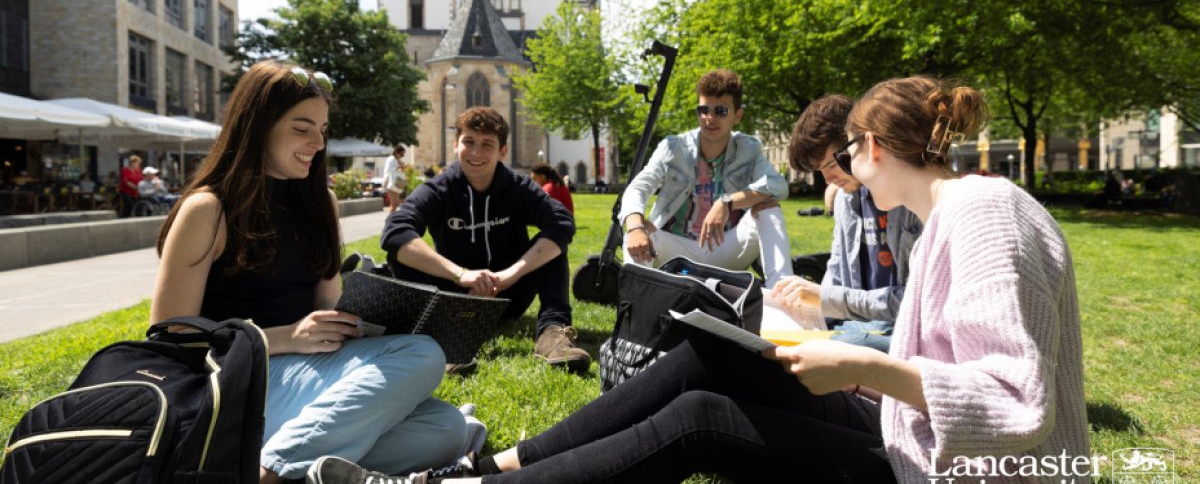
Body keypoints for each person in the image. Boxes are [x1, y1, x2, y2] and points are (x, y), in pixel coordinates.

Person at [310, 75, 1090, 484]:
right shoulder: (955, 215)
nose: (839, 174)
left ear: (876, 147)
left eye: (847, 153)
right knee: (706, 352)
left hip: (937, 471)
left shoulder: (984, 212)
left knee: (700, 422)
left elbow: (1019, 404)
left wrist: (857, 364)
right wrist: (849, 367)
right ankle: (497, 465)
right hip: (904, 434)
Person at [151, 60, 467, 484]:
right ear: (258, 125)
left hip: (305, 377)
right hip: (237, 383)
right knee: (424, 355)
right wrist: (285, 337)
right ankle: (268, 474)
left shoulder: (322, 204)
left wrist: (373, 321)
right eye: (302, 128)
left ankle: (274, 459)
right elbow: (171, 336)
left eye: (322, 130)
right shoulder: (208, 210)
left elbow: (326, 309)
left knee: (448, 427)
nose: (317, 142)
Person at [381, 107, 589, 372]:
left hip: (508, 294)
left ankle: (552, 334)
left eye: (487, 144)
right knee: (400, 251)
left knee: (553, 246)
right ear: (456, 145)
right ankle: (443, 337)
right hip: (453, 297)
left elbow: (561, 222)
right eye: (469, 142)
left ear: (502, 151)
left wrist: (509, 275)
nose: (476, 153)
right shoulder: (438, 189)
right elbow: (396, 230)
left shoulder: (517, 187)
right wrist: (461, 275)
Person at [619, 69, 794, 286]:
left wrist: (727, 202)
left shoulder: (748, 148)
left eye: (720, 111)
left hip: (725, 249)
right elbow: (638, 188)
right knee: (638, 232)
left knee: (768, 208)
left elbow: (777, 185)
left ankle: (783, 293)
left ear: (737, 115)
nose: (709, 118)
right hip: (676, 249)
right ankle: (635, 311)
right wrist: (635, 228)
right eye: (703, 110)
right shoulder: (674, 147)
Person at [776, 94, 923, 352]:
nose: (829, 178)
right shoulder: (846, 200)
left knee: (833, 348)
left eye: (832, 164)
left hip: (902, 331)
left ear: (858, 145)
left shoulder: (908, 198)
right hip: (856, 326)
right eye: (819, 170)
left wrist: (828, 299)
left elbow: (916, 303)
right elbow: (836, 272)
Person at [384, 145, 410, 213]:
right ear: (397, 152)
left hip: (395, 183)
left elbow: (398, 171)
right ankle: (390, 220)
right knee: (394, 204)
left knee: (395, 204)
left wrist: (401, 167)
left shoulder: (395, 160)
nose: (402, 156)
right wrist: (400, 166)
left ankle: (391, 219)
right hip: (390, 182)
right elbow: (389, 170)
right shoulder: (391, 159)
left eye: (403, 154)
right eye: (401, 154)